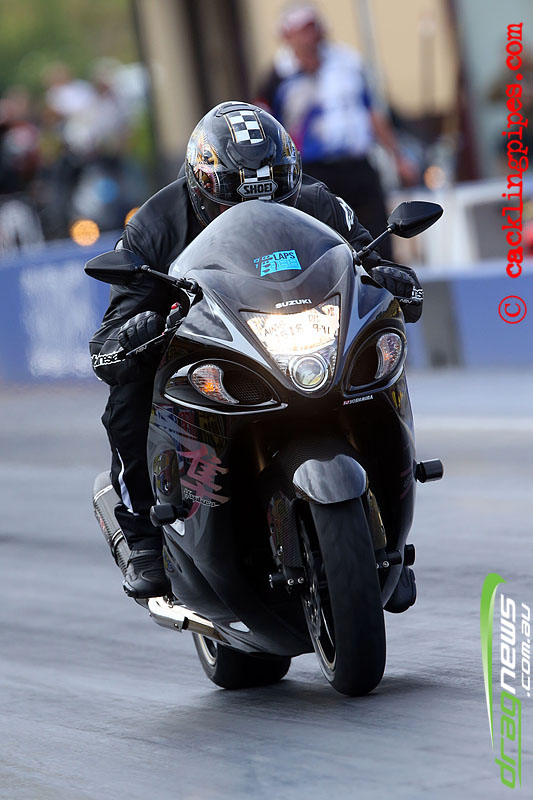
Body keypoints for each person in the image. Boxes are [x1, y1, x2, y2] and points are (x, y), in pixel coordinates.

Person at [89, 101, 422, 607]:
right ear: (203, 184)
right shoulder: (155, 223)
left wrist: (394, 279)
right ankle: (142, 537)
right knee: (127, 394)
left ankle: (387, 515)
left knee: (379, 360)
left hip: (303, 337)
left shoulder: (319, 201)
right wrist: (137, 331)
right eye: (235, 193)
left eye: (274, 190)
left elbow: (367, 260)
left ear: (291, 177)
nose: (257, 205)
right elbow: (109, 342)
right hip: (210, 349)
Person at [255, 3, 419, 260]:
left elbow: (372, 112)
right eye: (303, 31)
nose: (311, 37)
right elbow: (266, 128)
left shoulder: (347, 63)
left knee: (377, 235)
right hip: (314, 172)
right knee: (326, 239)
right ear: (287, 36)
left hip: (357, 164)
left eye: (314, 29)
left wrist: (398, 157)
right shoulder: (278, 78)